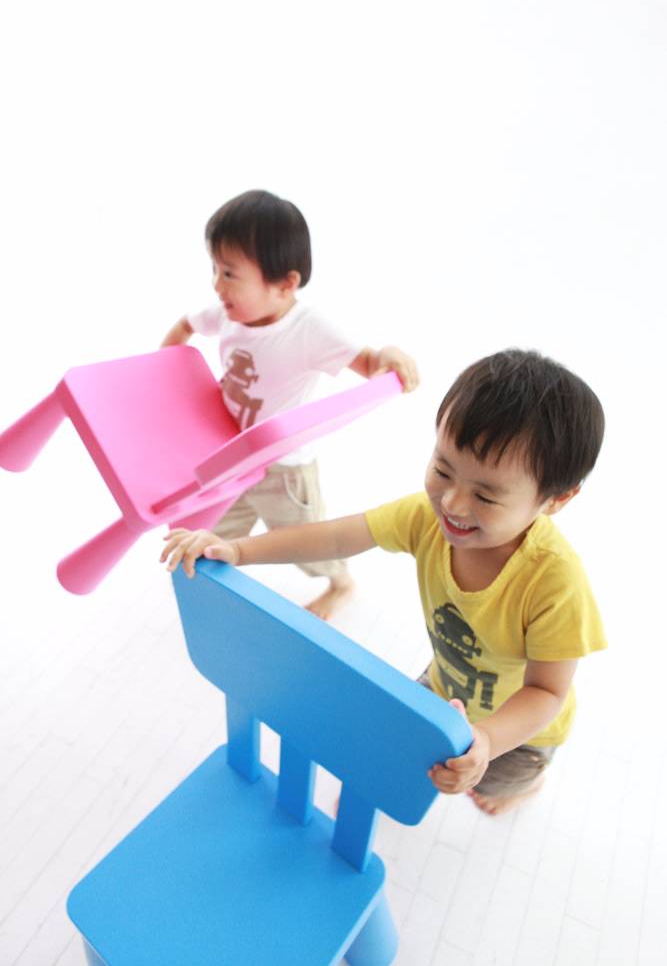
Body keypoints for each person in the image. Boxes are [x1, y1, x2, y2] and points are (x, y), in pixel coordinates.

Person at [160, 349, 606, 815]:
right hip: (446, 688)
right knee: (411, 757)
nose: (452, 504)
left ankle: (523, 788)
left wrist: (488, 740)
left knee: (488, 786)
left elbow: (547, 692)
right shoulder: (425, 517)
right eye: (443, 470)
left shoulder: (556, 583)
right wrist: (238, 550)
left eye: (486, 496)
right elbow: (336, 536)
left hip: (521, 736)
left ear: (556, 499)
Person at [160, 189, 419, 620]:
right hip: (232, 458)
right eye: (215, 269)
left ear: (285, 284)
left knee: (307, 544)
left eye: (229, 273)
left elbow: (369, 363)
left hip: (284, 472)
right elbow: (186, 324)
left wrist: (389, 354)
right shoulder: (229, 312)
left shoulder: (309, 329)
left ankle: (340, 582)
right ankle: (210, 594)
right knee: (212, 531)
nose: (217, 285)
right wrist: (162, 369)